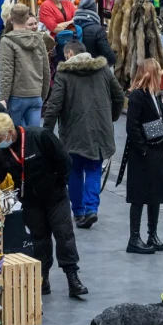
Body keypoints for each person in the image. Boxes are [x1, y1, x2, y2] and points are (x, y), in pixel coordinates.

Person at [0, 113, 87, 297]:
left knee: (64, 235)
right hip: (30, 201)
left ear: (10, 133)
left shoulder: (40, 136)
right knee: (39, 239)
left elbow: (65, 160)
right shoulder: (2, 152)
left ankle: (73, 278)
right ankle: (43, 279)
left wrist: (59, 182)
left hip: (55, 197)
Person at [43, 40, 125, 229]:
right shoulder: (103, 70)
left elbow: (54, 105)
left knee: (75, 171)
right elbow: (119, 96)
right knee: (94, 169)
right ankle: (91, 209)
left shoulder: (64, 74)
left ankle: (79, 212)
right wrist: (110, 117)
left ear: (70, 53)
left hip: (73, 132)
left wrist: (47, 132)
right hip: (99, 130)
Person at [121, 59, 163, 255]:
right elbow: (132, 127)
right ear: (150, 74)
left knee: (154, 194)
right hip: (143, 154)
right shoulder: (137, 96)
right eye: (158, 72)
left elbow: (161, 124)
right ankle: (134, 238)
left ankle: (152, 233)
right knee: (139, 196)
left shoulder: (155, 96)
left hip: (157, 151)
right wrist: (144, 149)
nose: (162, 75)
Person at [0, 4, 51, 128]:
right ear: (26, 18)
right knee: (33, 138)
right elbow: (46, 69)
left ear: (11, 19)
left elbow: (7, 71)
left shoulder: (7, 41)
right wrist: (42, 94)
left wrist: (3, 97)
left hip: (17, 95)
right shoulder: (39, 39)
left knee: (19, 138)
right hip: (36, 94)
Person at [72, 0, 115, 65]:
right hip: (91, 71)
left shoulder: (70, 27)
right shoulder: (98, 30)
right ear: (94, 10)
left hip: (73, 70)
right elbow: (109, 56)